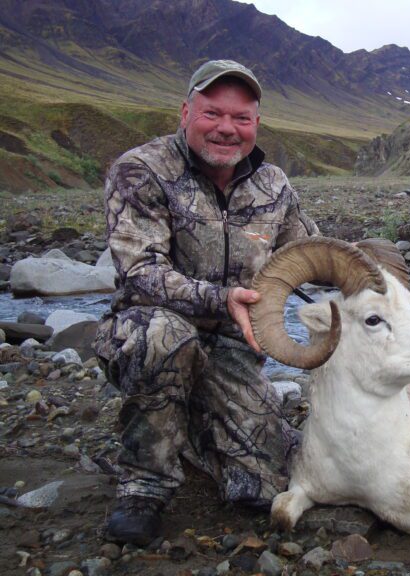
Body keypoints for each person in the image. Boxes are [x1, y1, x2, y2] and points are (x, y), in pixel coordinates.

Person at [93, 59, 319, 546]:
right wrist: (219, 297)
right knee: (165, 339)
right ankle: (144, 487)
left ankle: (196, 428)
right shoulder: (142, 171)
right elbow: (139, 275)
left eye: (241, 119)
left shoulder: (272, 185)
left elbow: (308, 254)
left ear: (256, 124)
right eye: (212, 113)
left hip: (235, 348)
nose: (226, 129)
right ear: (185, 112)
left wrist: (371, 281)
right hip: (152, 329)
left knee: (262, 486)